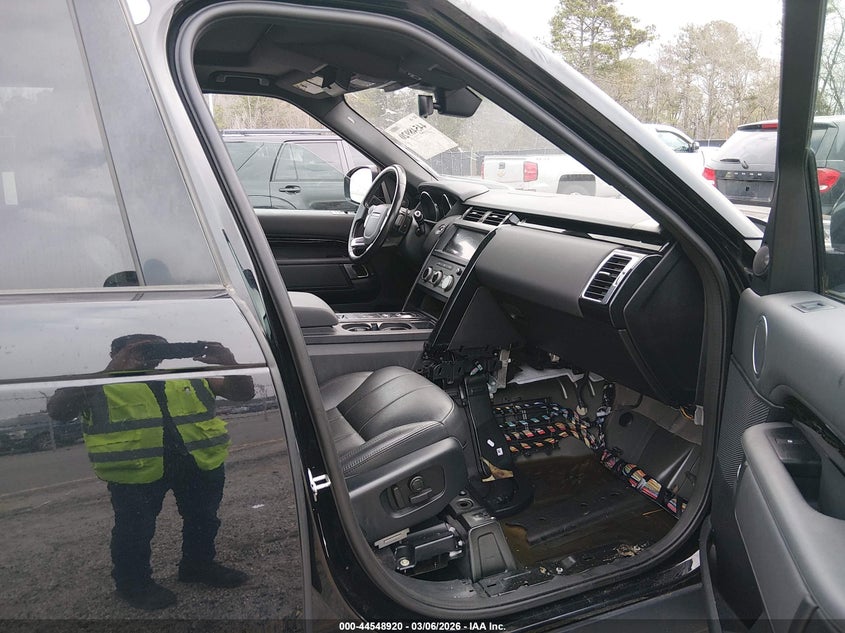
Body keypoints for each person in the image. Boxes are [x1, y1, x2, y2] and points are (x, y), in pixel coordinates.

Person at [48, 334, 255, 610]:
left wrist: (229, 363)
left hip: (197, 461)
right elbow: (58, 411)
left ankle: (198, 566)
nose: (153, 354)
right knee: (134, 529)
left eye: (159, 347)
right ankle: (132, 584)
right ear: (116, 353)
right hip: (136, 469)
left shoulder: (186, 374)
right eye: (143, 349)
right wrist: (111, 371)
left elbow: (243, 393)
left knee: (204, 519)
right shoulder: (102, 381)